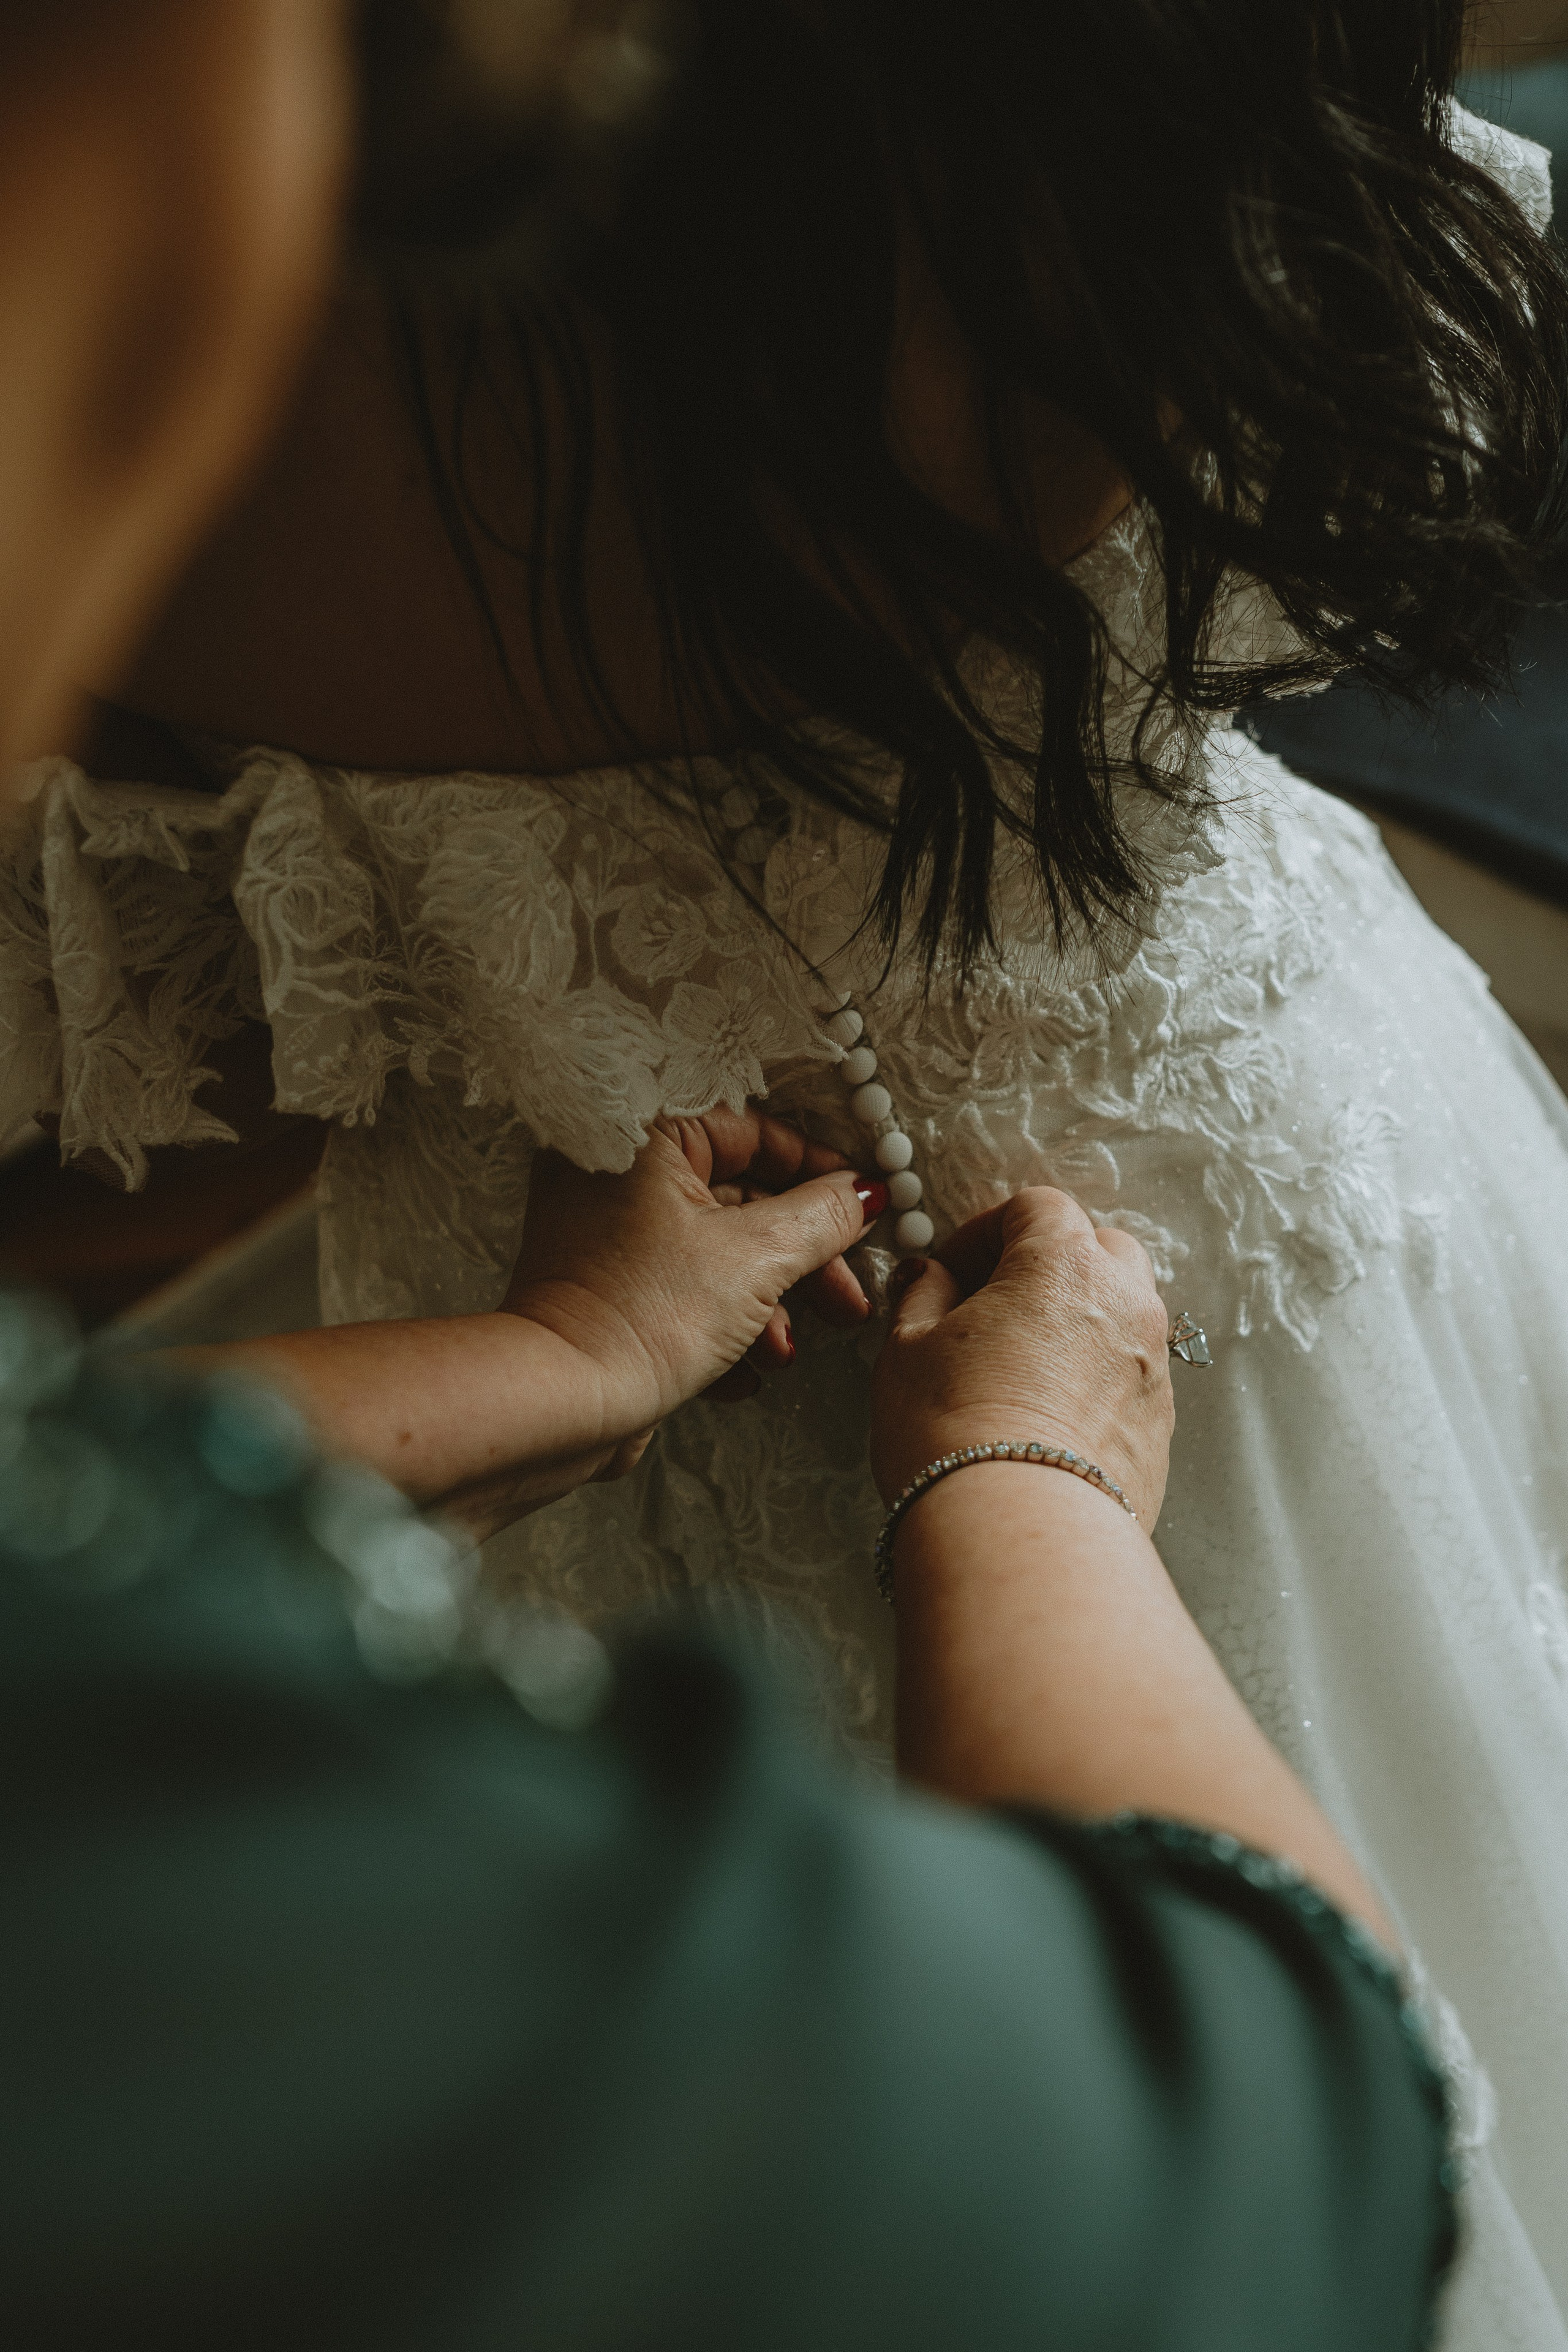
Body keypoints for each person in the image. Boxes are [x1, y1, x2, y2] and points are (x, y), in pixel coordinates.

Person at [0, 1, 1552, 2338]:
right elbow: (1265, 2137)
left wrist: (540, 1351)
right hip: (1115, 1320)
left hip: (579, 1353)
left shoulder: (175, 420)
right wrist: (1020, 1476)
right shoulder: (1087, 145)